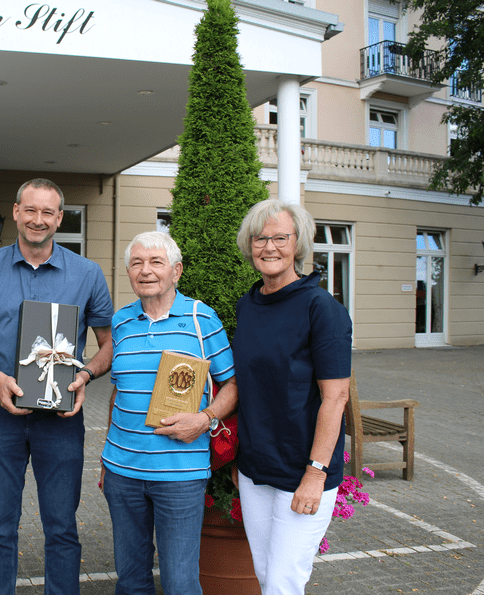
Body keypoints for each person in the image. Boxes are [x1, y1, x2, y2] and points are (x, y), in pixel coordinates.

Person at [0, 178, 113, 595]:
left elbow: (110, 343)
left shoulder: (87, 273)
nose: (38, 220)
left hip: (61, 418)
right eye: (30, 210)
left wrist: (86, 375)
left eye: (48, 213)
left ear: (59, 218)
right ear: (17, 212)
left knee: (62, 527)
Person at [101, 231, 237, 595]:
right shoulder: (121, 323)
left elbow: (234, 385)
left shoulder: (200, 319)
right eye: (137, 263)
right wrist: (106, 456)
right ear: (129, 272)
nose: (146, 271)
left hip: (180, 475)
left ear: (176, 271)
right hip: (122, 472)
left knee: (180, 582)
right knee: (131, 581)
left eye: (156, 262)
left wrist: (205, 418)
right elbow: (120, 391)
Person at [233, 199, 352, 595]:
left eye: (280, 237)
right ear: (249, 245)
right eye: (260, 238)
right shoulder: (248, 305)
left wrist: (315, 475)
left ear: (297, 243)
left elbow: (335, 399)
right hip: (256, 470)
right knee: (267, 575)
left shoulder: (321, 308)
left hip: (303, 470)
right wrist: (241, 461)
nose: (269, 247)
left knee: (284, 582)